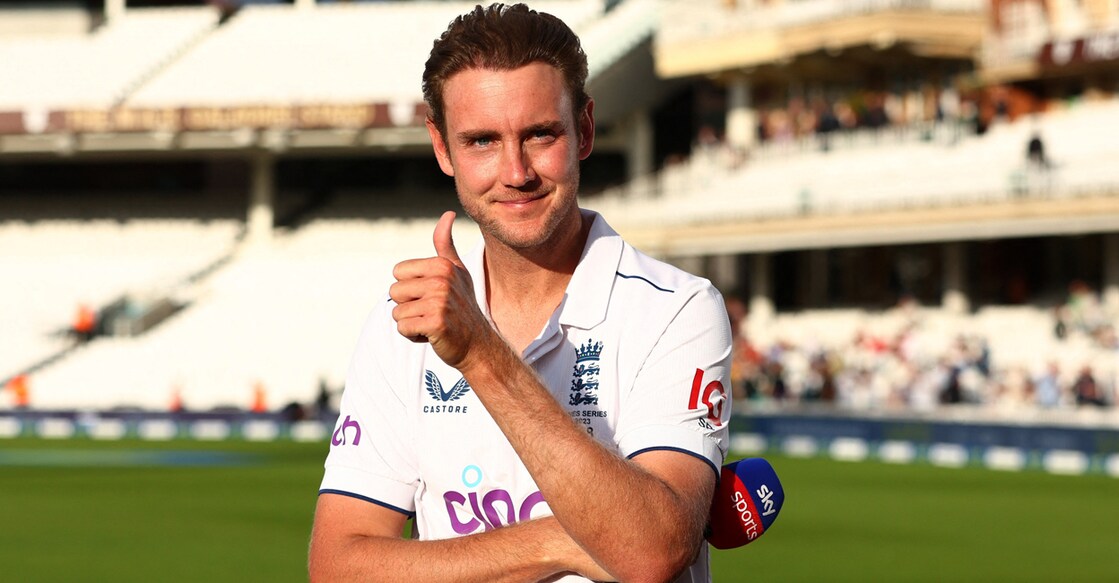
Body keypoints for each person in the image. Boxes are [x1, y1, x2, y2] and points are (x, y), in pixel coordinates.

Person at [308, 4, 733, 582]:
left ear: (584, 129)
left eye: (539, 134)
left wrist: (477, 351)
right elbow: (337, 568)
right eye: (482, 140)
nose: (515, 171)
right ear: (442, 148)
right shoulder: (402, 324)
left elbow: (650, 553)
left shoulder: (677, 309)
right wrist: (565, 539)